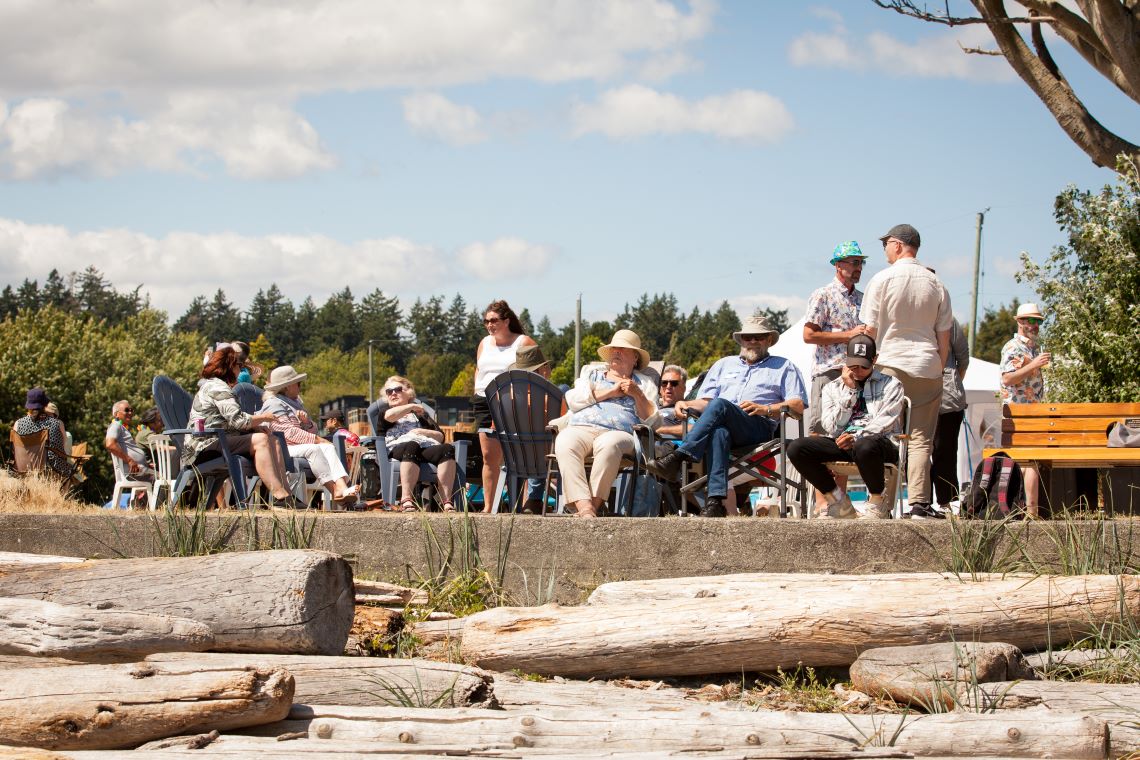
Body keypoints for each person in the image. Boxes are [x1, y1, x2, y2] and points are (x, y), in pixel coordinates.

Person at [649, 315, 806, 518]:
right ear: (741, 340)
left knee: (721, 404)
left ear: (769, 340)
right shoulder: (724, 364)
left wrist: (764, 409)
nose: (752, 341)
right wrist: (685, 403)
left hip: (758, 426)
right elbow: (705, 403)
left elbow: (798, 405)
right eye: (748, 337)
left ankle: (679, 456)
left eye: (758, 337)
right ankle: (715, 503)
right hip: (724, 425)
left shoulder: (784, 366)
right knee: (719, 433)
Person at [860, 223, 953, 519]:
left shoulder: (882, 279)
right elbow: (944, 337)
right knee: (921, 439)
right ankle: (919, 503)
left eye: (886, 243)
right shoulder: (936, 283)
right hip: (926, 365)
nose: (885, 249)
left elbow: (869, 331)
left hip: (890, 364)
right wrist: (938, 366)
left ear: (898, 245)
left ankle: (882, 504)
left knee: (884, 436)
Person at [786, 335, 906, 519]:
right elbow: (832, 427)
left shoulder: (892, 384)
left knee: (864, 444)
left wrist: (857, 437)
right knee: (797, 448)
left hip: (879, 444)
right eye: (853, 365)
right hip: (844, 441)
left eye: (863, 365)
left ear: (875, 359)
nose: (857, 370)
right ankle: (838, 499)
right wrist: (849, 392)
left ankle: (877, 502)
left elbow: (885, 422)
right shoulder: (833, 388)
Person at [555, 330, 659, 519]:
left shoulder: (644, 383)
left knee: (609, 444)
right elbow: (573, 399)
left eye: (623, 349)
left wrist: (637, 394)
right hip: (582, 427)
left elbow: (651, 420)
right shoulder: (591, 375)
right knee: (565, 441)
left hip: (619, 432)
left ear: (635, 357)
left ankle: (590, 508)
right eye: (614, 348)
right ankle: (585, 506)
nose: (616, 352)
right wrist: (610, 392)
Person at [183, 346, 301, 509]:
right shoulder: (217, 388)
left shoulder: (218, 386)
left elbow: (231, 422)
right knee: (260, 440)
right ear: (229, 367)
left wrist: (255, 427)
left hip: (219, 440)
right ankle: (278, 496)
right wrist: (263, 418)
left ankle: (286, 495)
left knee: (273, 440)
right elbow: (238, 420)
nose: (240, 371)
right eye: (239, 367)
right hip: (204, 446)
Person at [803, 240, 870, 516]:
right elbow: (808, 335)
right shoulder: (823, 295)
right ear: (838, 265)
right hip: (829, 372)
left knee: (844, 436)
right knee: (821, 434)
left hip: (856, 373)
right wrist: (848, 335)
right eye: (853, 262)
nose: (858, 268)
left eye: (860, 262)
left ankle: (837, 501)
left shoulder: (863, 298)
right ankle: (822, 500)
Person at [260, 365, 361, 509]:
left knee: (327, 446)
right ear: (287, 387)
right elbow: (288, 433)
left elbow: (313, 429)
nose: (300, 386)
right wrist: (317, 439)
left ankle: (341, 487)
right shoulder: (274, 404)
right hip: (280, 448)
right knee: (315, 448)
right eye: (298, 383)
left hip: (295, 446)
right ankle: (336, 491)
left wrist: (306, 423)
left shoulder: (294, 403)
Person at [472, 300, 537, 513]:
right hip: (484, 401)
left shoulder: (523, 341)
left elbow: (542, 371)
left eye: (494, 320)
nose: (489, 325)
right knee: (489, 457)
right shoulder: (484, 343)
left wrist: (526, 396)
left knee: (515, 456)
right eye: (486, 321)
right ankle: (489, 507)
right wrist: (476, 389)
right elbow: (479, 369)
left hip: (511, 401)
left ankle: (519, 505)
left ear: (506, 321)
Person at [377, 375, 458, 512]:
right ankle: (406, 500)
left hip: (424, 447)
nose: (393, 393)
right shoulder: (386, 412)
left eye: (397, 389)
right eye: (389, 391)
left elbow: (440, 436)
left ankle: (446, 501)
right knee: (412, 445)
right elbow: (390, 417)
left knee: (447, 449)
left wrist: (422, 431)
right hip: (398, 449)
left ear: (408, 392)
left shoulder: (420, 415)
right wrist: (412, 406)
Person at [1000, 303, 1051, 517]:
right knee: (1028, 460)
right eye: (1030, 320)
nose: (1035, 325)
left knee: (1032, 461)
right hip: (1018, 414)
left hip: (1032, 413)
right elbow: (1007, 377)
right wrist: (1034, 365)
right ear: (1019, 321)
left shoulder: (1032, 348)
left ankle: (1029, 511)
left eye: (1038, 321)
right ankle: (1029, 512)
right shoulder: (1013, 347)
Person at [507, 345, 563, 514]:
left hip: (515, 455)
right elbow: (564, 426)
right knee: (545, 448)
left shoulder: (505, 396)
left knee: (534, 449)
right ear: (543, 369)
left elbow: (496, 428)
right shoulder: (552, 397)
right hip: (546, 453)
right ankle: (535, 499)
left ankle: (533, 500)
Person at [932, 318, 970, 514]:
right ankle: (921, 503)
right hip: (915, 393)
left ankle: (947, 503)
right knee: (915, 452)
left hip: (947, 399)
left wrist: (952, 384)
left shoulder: (948, 320)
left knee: (945, 452)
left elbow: (963, 359)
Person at [14, 388, 76, 479]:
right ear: (45, 405)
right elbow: (64, 446)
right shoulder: (57, 423)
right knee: (71, 474)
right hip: (50, 470)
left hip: (22, 468)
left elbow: (14, 449)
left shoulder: (17, 424)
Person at [105, 400, 154, 483]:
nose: (130, 413)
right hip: (132, 472)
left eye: (131, 410)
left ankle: (146, 496)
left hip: (138, 469)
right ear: (116, 414)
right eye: (127, 410)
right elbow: (110, 444)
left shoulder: (121, 427)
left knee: (161, 477)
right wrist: (130, 460)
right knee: (163, 479)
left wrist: (146, 464)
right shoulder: (115, 425)